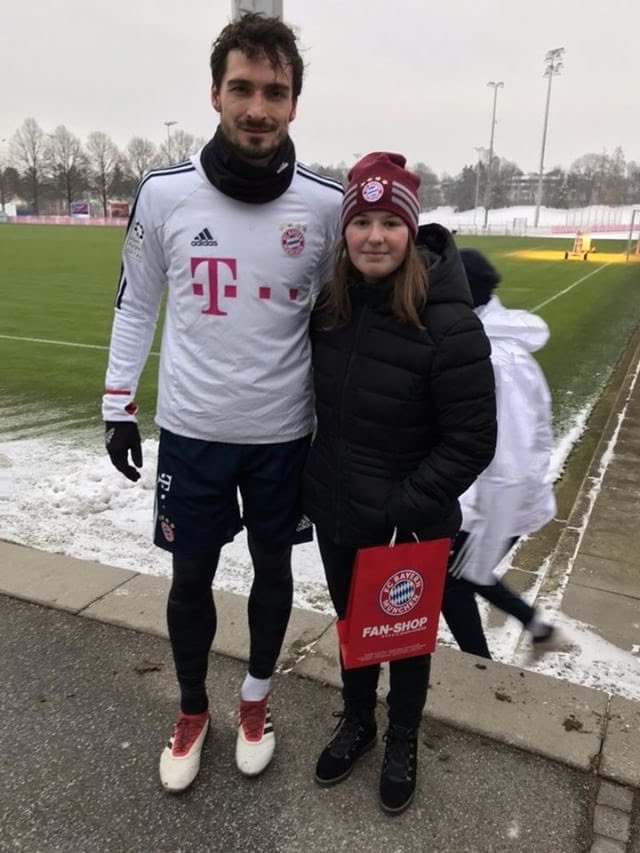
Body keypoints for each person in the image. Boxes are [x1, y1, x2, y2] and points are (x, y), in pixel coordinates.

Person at [102, 13, 341, 793]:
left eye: (275, 91)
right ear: (214, 93)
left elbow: (365, 302)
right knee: (189, 579)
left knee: (274, 570)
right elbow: (137, 303)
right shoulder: (165, 193)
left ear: (296, 103)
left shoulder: (326, 206)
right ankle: (194, 708)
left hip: (282, 438)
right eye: (242, 88)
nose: (257, 107)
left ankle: (256, 700)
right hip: (194, 434)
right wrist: (116, 403)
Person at [302, 153, 497, 815]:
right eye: (362, 221)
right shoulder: (330, 306)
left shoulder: (449, 324)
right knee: (354, 627)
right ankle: (359, 720)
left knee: (408, 640)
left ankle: (403, 736)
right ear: (346, 230)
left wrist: (400, 507)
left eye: (390, 221)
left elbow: (471, 440)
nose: (374, 235)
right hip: (337, 514)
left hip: (407, 523)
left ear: (411, 232)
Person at [440, 248, 562, 659]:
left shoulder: (497, 361)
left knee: (452, 582)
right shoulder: (483, 342)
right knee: (462, 576)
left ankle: (482, 666)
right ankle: (538, 628)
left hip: (497, 502)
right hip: (493, 498)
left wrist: (487, 531)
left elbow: (508, 455)